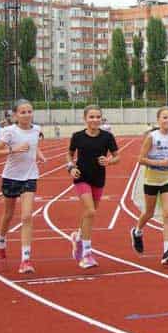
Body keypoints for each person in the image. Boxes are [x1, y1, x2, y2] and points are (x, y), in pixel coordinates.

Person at [0, 99, 46, 274]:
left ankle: (26, 259)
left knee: (27, 216)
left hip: (30, 177)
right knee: (8, 214)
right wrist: (14, 150)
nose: (27, 115)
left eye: (29, 111)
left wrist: (40, 155)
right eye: (23, 112)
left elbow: (34, 146)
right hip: (10, 177)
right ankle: (0, 241)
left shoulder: (37, 130)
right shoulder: (9, 132)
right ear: (15, 115)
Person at [66, 105, 120, 269]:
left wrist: (109, 161)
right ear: (85, 119)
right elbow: (69, 154)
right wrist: (71, 167)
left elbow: (117, 157)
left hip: (98, 178)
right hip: (81, 177)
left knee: (90, 214)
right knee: (90, 211)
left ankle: (78, 237)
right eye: (91, 117)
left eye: (98, 117)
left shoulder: (107, 137)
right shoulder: (77, 136)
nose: (95, 120)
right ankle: (87, 254)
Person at [132, 107, 168, 265]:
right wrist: (159, 163)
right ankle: (137, 231)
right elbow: (140, 159)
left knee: (167, 213)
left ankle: (167, 251)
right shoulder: (152, 137)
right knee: (149, 213)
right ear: (158, 120)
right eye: (165, 117)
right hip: (151, 180)